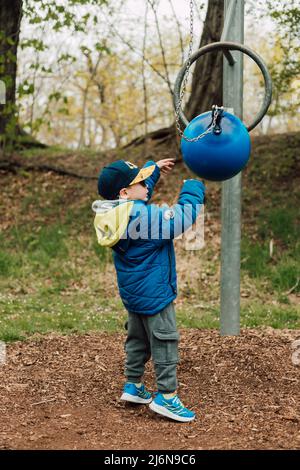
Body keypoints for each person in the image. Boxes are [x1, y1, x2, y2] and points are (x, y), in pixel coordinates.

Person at [92, 158, 205, 422]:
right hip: (155, 295)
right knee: (165, 340)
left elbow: (136, 198)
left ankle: (133, 385)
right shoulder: (144, 218)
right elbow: (180, 218)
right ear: (124, 192)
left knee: (137, 339)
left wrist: (152, 171)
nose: (147, 185)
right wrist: (193, 189)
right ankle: (167, 397)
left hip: (133, 294)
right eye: (141, 181)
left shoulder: (114, 213)